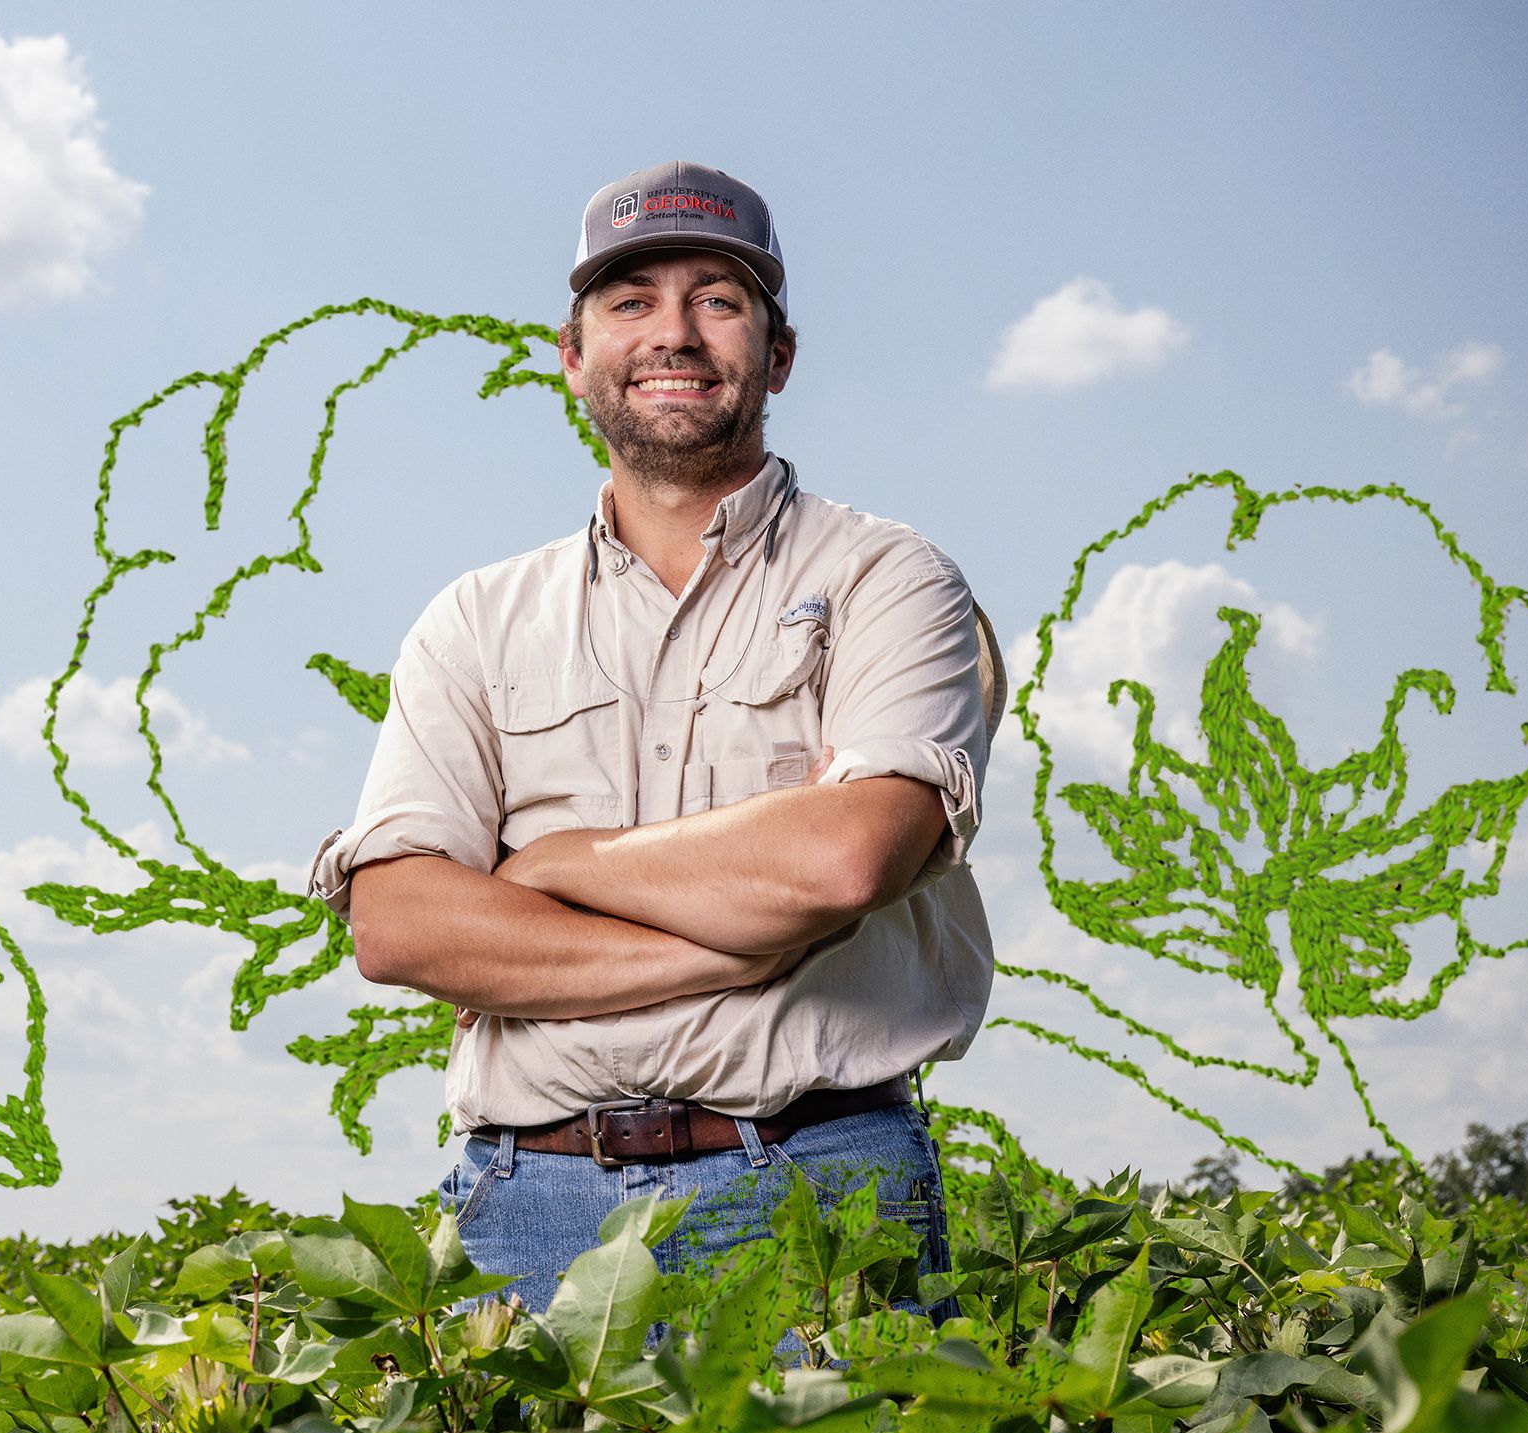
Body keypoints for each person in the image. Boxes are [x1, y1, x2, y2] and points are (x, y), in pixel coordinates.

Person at [306, 160, 1005, 1315]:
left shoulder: (890, 579)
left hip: (816, 1187)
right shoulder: (474, 620)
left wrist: (557, 870)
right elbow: (395, 923)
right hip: (527, 1200)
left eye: (716, 300)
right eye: (630, 303)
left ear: (775, 355)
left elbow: (846, 860)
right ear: (573, 358)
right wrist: (732, 949)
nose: (672, 333)